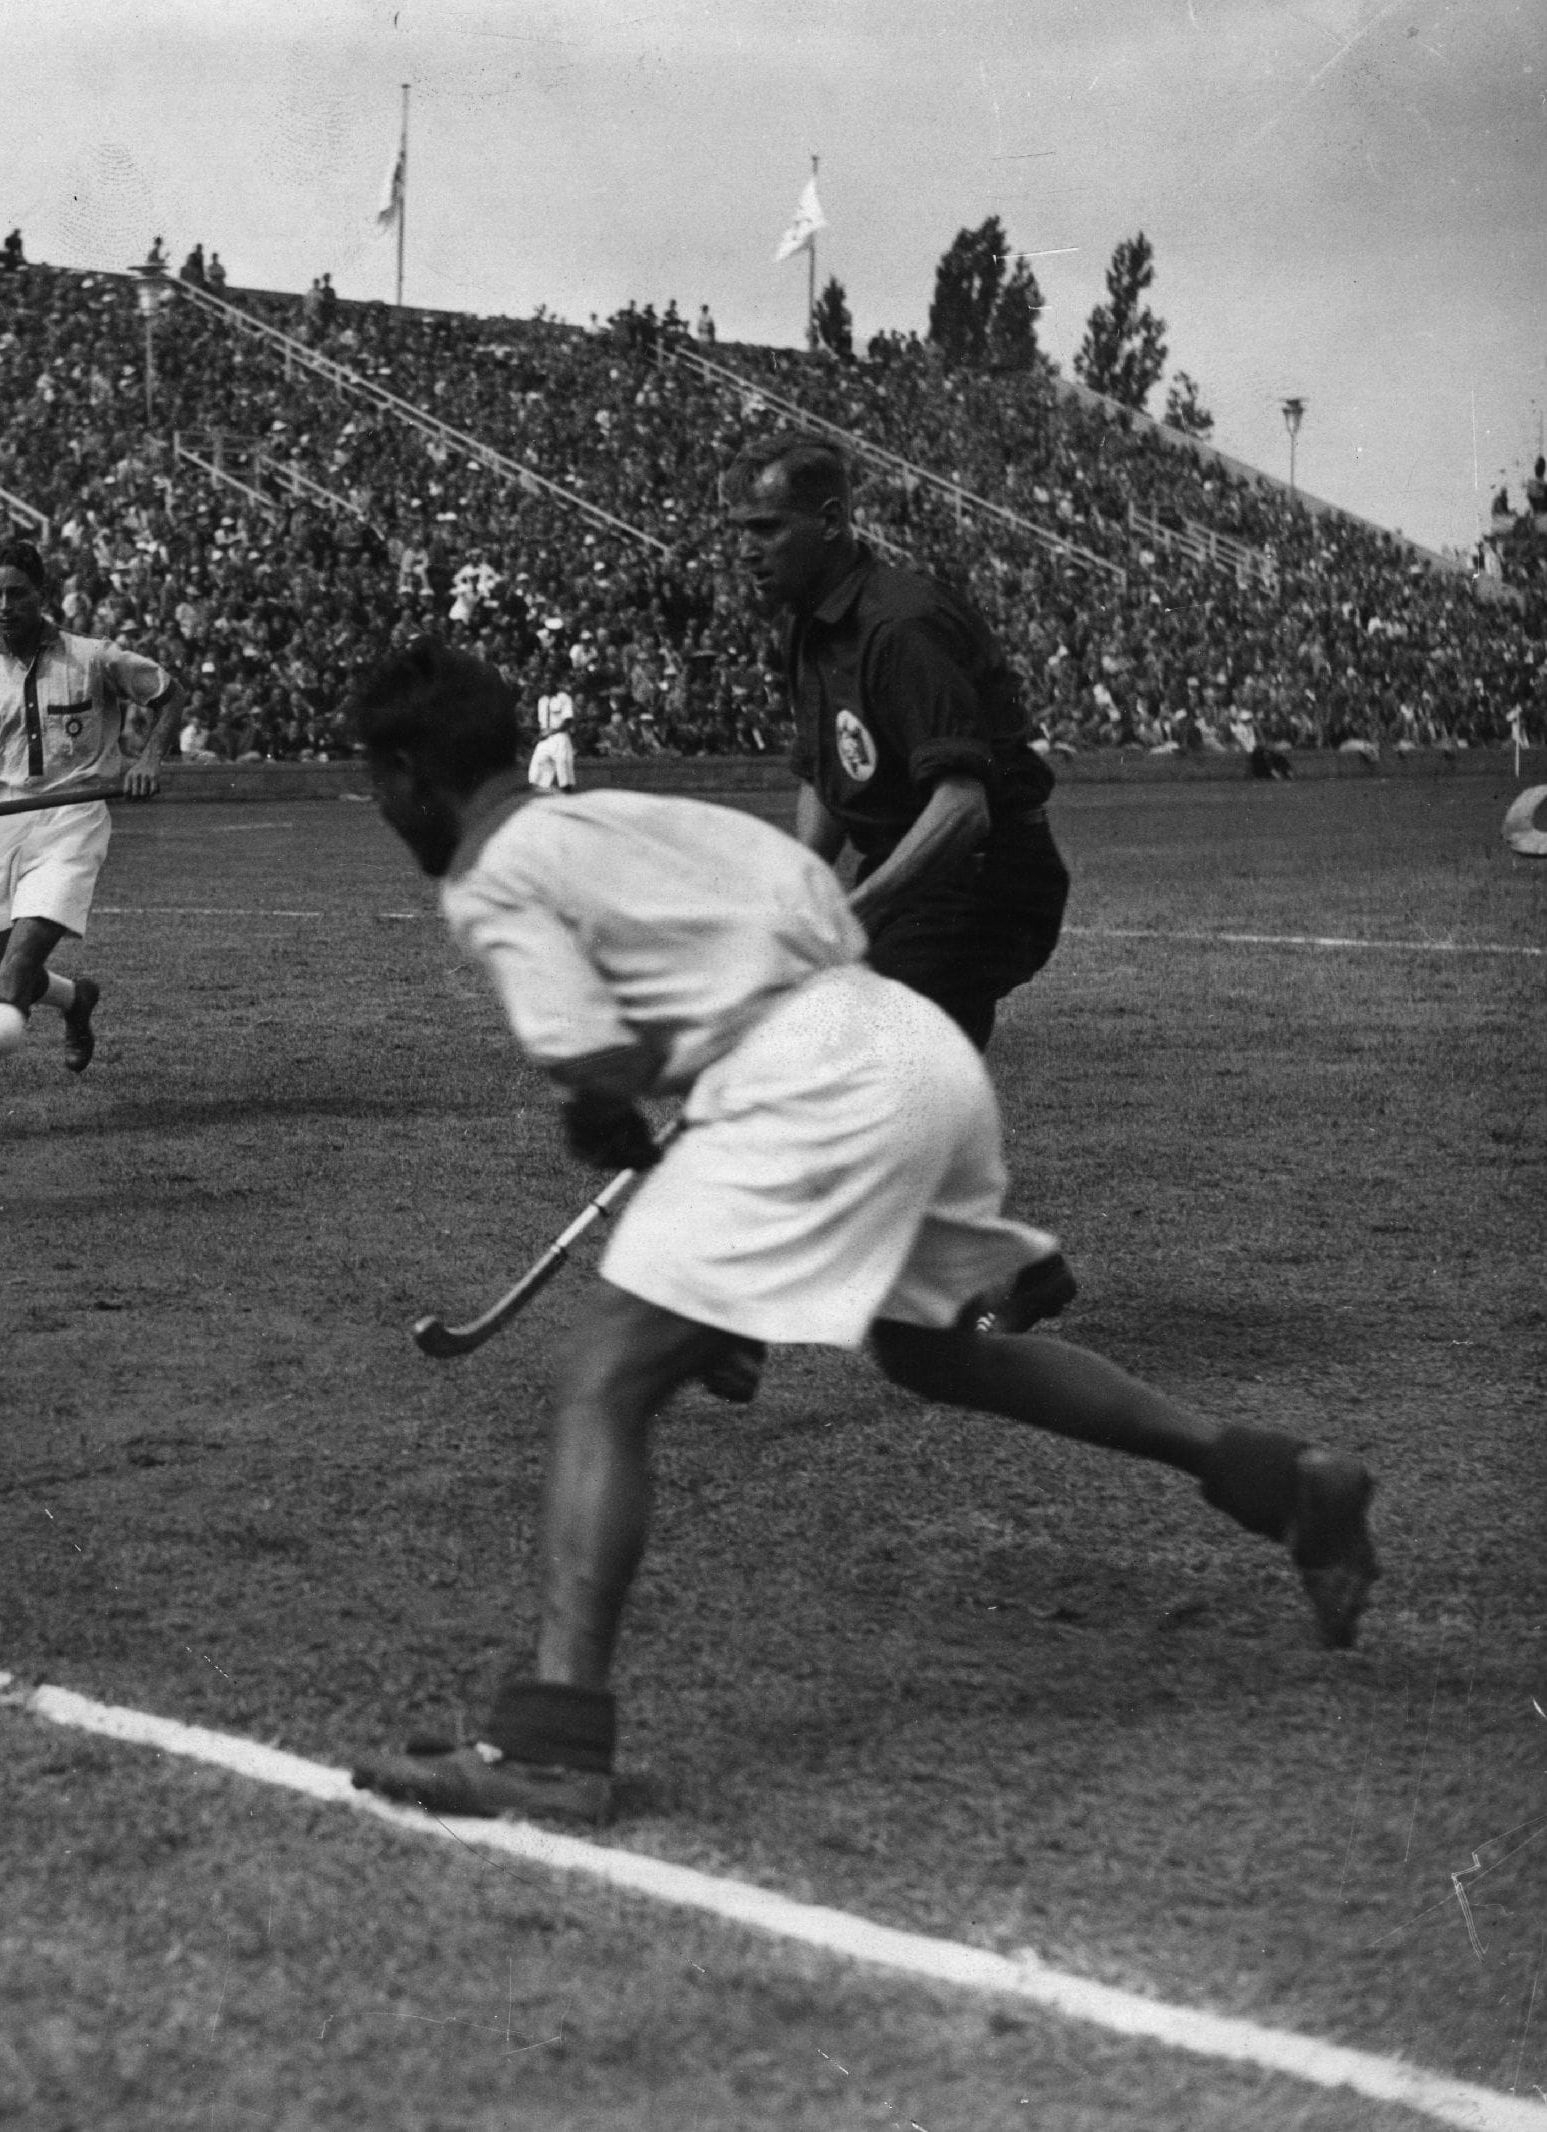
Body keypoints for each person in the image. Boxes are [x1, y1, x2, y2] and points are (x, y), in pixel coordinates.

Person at [338, 638, 1379, 1827]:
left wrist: (608, 1115)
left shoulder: (490, 871)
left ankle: (549, 1747)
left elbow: (590, 1051)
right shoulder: (639, 814)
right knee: (932, 1350)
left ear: (413, 771)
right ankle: (1284, 1482)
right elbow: (813, 907)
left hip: (809, 1084)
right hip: (906, 1042)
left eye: (377, 779)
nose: (380, 807)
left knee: (604, 1386)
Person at [727, 433, 1068, 1058]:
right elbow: (827, 777)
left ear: (831, 521)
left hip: (989, 877)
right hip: (920, 878)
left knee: (860, 1059)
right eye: (740, 531)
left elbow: (964, 807)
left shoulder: (902, 627)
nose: (746, 551)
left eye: (767, 528)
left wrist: (854, 912)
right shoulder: (806, 626)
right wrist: (803, 890)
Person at [0, 539, 178, 1144]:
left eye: (17, 593)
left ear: (43, 596)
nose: (4, 605)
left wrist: (148, 759)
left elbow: (168, 692)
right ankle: (76, 998)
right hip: (5, 825)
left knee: (18, 966)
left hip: (74, 819)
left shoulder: (94, 658)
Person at [526, 690, 577, 793]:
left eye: (549, 680)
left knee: (563, 762)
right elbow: (542, 721)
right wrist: (539, 734)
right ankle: (538, 786)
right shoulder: (542, 700)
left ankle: (566, 788)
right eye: (544, 681)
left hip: (559, 735)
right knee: (538, 760)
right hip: (545, 737)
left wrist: (551, 732)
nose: (547, 684)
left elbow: (567, 722)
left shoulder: (563, 698)